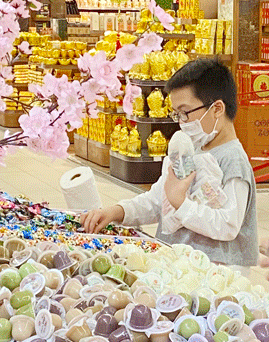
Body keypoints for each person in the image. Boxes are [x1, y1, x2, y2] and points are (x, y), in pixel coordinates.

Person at [81, 59, 259, 267]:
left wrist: (181, 204)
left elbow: (228, 224)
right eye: (177, 114)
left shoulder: (232, 160)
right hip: (175, 260)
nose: (181, 122)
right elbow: (158, 200)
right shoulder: (192, 148)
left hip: (211, 271)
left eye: (185, 112)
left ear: (217, 108)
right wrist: (117, 212)